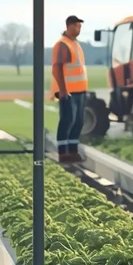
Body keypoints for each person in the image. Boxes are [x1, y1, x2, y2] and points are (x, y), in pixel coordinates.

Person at [51, 14, 89, 163]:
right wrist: (62, 89)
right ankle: (63, 152)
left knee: (78, 121)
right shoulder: (63, 45)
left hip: (80, 90)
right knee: (67, 120)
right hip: (68, 91)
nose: (78, 29)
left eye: (80, 26)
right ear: (69, 26)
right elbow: (57, 68)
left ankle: (72, 151)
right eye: (76, 26)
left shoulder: (75, 44)